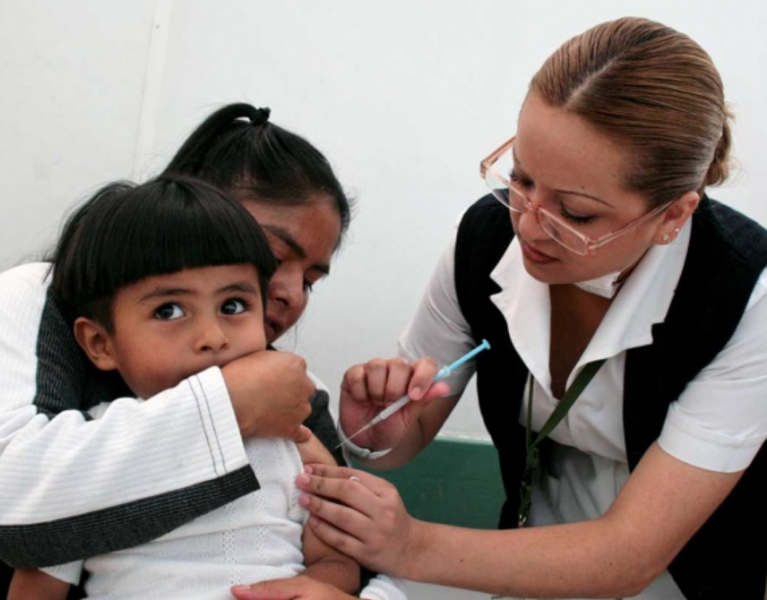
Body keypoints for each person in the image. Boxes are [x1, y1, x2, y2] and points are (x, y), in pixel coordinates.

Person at [293, 17, 767, 600]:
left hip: (687, 573)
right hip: (525, 556)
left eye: (577, 214)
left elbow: (626, 556)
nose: (529, 224)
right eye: (521, 177)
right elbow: (404, 440)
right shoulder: (486, 240)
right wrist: (380, 432)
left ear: (673, 215)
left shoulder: (747, 294)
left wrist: (410, 545)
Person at [0, 104, 362, 599]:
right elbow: (11, 507)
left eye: (310, 279)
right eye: (273, 257)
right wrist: (233, 403)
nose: (290, 293)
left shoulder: (294, 397)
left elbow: (355, 546)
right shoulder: (32, 300)